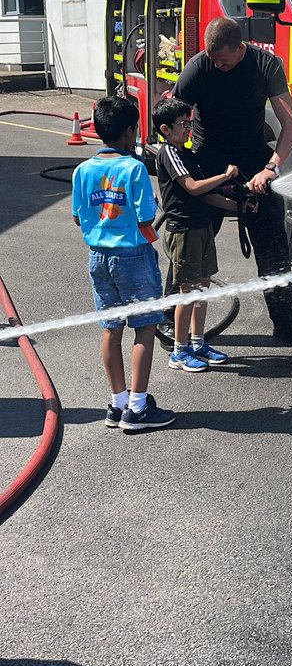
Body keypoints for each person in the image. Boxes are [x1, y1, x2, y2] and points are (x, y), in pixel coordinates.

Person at [172, 16, 292, 350]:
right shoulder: (199, 67)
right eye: (212, 59)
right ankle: (170, 320)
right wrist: (182, 167)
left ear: (240, 48)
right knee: (192, 244)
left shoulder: (266, 65)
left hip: (253, 160)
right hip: (208, 161)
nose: (217, 64)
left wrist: (270, 168)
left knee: (274, 246)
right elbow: (171, 116)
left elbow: (290, 124)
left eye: (223, 58)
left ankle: (286, 322)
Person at [71, 96, 175, 434]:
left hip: (97, 257)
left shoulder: (82, 170)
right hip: (132, 255)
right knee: (145, 327)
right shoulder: (134, 169)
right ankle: (138, 407)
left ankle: (117, 402)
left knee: (110, 328)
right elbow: (147, 218)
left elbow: (77, 216)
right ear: (130, 131)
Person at [152, 96, 238, 373]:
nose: (188, 127)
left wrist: (240, 205)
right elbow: (192, 187)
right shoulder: (169, 154)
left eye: (189, 122)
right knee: (187, 292)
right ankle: (179, 352)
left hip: (202, 227)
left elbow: (208, 196)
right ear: (165, 129)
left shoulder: (188, 154)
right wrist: (225, 176)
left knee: (202, 289)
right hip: (184, 230)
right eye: (182, 123)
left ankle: (198, 343)